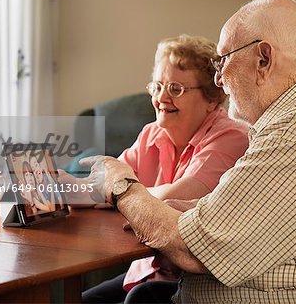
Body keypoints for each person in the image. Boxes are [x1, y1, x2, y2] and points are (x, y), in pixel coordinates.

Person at [81, 0, 296, 303]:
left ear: (263, 60)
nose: (219, 78)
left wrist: (123, 187)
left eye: (223, 60)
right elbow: (240, 217)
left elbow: (195, 249)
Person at [72, 34, 249, 303]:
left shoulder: (232, 137)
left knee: (140, 299)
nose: (161, 97)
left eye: (176, 89)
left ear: (211, 99)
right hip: (149, 269)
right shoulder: (151, 133)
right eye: (157, 86)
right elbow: (105, 183)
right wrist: (55, 189)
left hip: (196, 281)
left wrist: (121, 191)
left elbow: (179, 196)